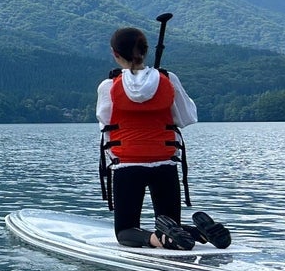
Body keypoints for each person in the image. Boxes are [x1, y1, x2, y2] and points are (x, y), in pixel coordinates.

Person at [96, 26, 230, 250]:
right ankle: (202, 233)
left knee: (125, 231)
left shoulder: (108, 86)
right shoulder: (168, 79)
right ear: (145, 51)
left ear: (115, 53)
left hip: (127, 165)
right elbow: (186, 117)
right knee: (171, 223)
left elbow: (105, 122)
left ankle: (158, 239)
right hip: (165, 164)